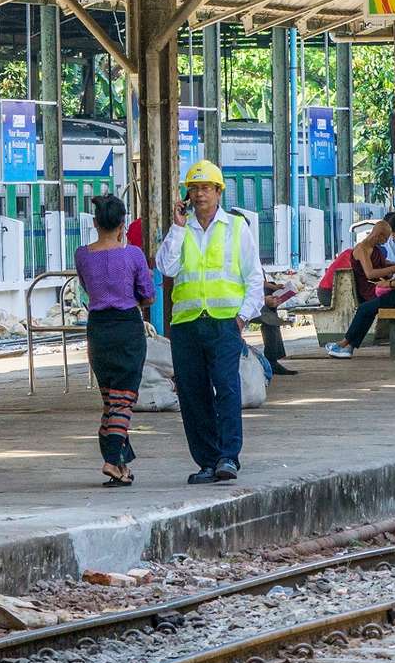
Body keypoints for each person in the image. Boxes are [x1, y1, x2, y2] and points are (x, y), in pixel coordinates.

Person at [157, 160, 265, 485]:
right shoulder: (181, 229)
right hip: (187, 324)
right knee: (192, 394)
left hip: (223, 324)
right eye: (194, 188)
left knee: (227, 388)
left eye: (206, 188)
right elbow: (167, 267)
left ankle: (228, 457)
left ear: (218, 192)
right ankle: (206, 460)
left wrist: (242, 317)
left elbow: (254, 277)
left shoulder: (235, 228)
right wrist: (176, 227)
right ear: (186, 195)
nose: (200, 194)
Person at [75, 194, 155, 486]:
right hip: (127, 329)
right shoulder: (133, 255)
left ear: (95, 223)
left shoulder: (82, 254)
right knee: (124, 401)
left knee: (111, 400)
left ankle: (122, 467)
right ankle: (111, 460)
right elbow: (147, 295)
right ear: (123, 224)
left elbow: (86, 287)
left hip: (98, 330)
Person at [324, 211, 395, 359]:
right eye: (385, 238)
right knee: (367, 309)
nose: (386, 241)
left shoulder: (376, 250)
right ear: (379, 235)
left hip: (379, 285)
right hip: (370, 288)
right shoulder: (362, 249)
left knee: (368, 311)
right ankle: (344, 344)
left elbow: (381, 262)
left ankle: (347, 346)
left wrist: (394, 265)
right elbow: (370, 273)